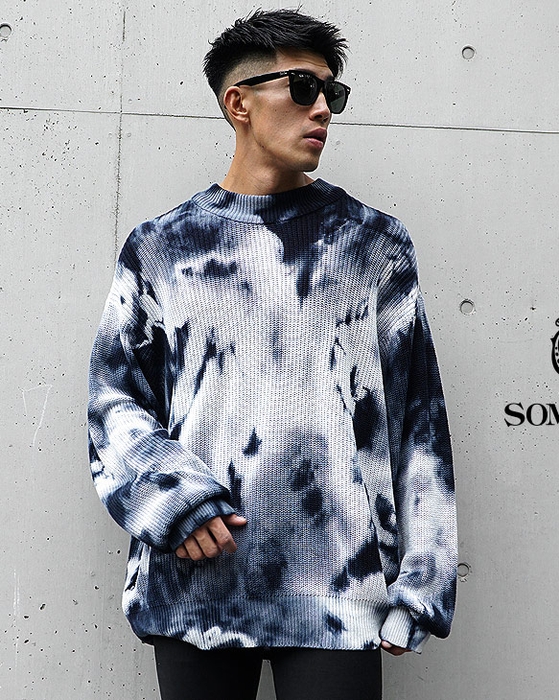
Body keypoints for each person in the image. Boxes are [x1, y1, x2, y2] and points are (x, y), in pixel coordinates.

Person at [87, 9, 457, 700]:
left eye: (332, 93)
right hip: (197, 585)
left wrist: (422, 582)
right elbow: (114, 400)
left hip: (339, 589)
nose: (323, 109)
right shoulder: (162, 247)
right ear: (240, 104)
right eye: (303, 88)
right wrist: (174, 500)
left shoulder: (372, 245)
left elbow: (419, 422)